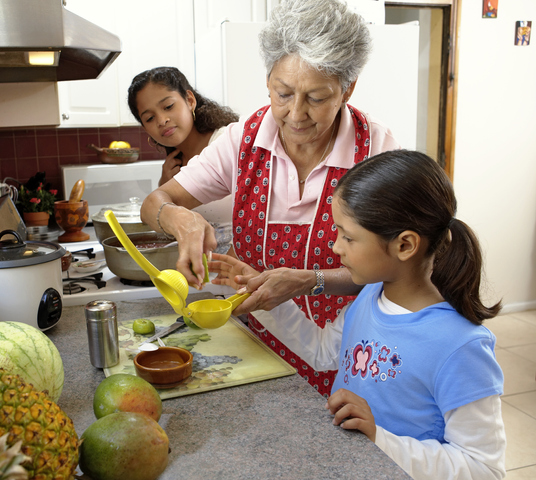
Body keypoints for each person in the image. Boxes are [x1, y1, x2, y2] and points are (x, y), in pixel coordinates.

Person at [140, 0, 400, 396]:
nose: (296, 115)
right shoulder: (241, 142)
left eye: (316, 98)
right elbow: (155, 201)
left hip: (347, 353)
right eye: (283, 93)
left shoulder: (375, 149)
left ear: (348, 88)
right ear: (268, 79)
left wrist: (309, 282)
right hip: (257, 348)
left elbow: (394, 267)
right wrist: (179, 218)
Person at [250, 149, 506, 479]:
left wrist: (378, 437)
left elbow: (483, 468)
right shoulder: (373, 294)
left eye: (348, 236)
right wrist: (267, 300)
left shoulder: (462, 347)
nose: (335, 247)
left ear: (405, 245)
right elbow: (324, 351)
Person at [128, 66, 239, 254]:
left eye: (168, 107)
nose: (162, 120)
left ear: (189, 100)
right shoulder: (173, 167)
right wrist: (164, 186)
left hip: (243, 271)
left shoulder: (228, 143)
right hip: (203, 275)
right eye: (149, 118)